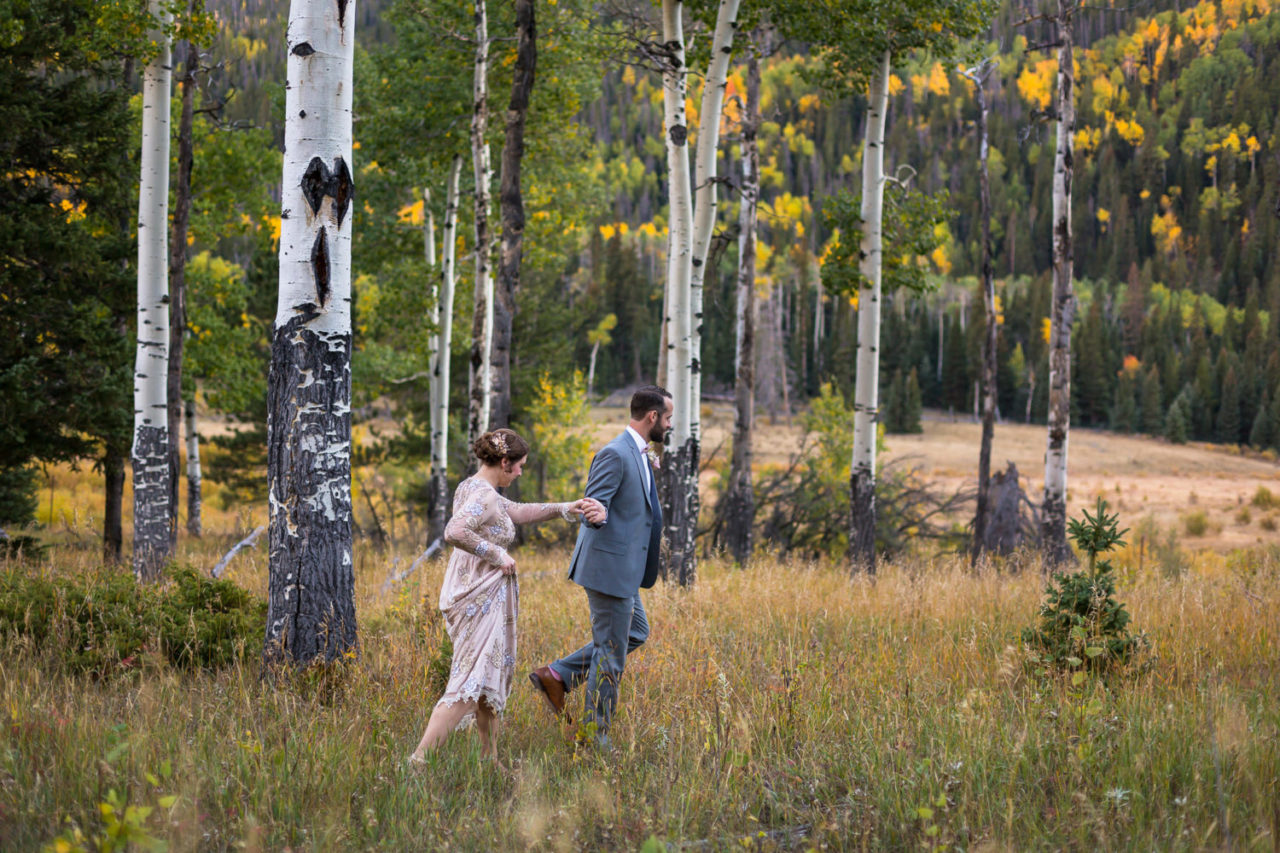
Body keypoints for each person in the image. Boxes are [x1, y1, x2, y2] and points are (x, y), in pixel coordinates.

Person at [408, 428, 605, 768]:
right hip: (478, 597)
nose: (520, 473)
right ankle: (419, 760)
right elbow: (454, 531)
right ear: (504, 462)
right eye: (519, 466)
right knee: (468, 683)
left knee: (486, 679)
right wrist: (498, 554)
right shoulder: (483, 495)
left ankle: (490, 761)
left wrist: (565, 508)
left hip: (480, 594)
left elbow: (517, 511)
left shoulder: (473, 487)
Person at [529, 386, 673, 749]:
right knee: (611, 657)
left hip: (625, 570)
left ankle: (557, 675)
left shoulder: (639, 452)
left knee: (635, 632)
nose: (670, 425)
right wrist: (599, 514)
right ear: (653, 416)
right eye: (668, 418)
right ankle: (595, 739)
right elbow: (593, 506)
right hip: (608, 570)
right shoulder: (615, 453)